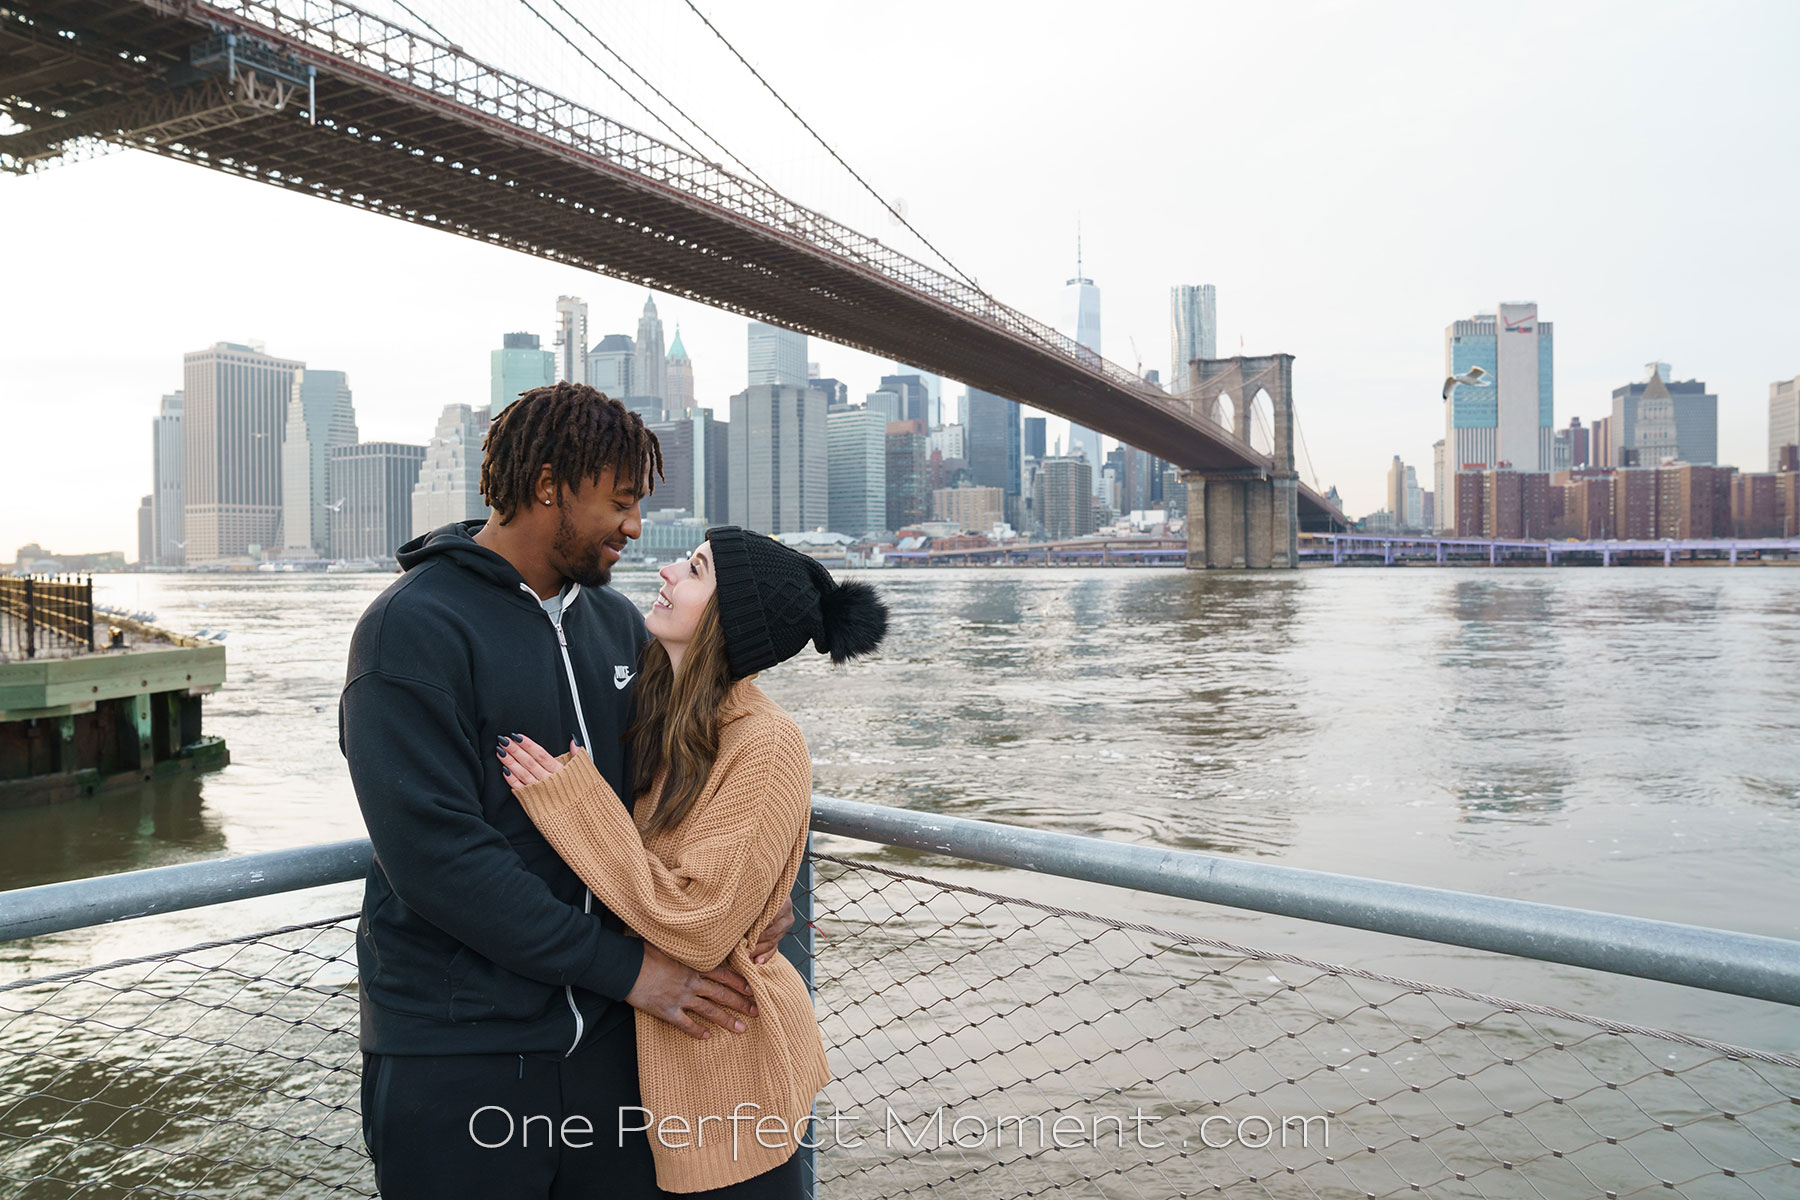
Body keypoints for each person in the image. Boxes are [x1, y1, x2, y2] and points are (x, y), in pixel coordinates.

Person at [341, 384, 794, 1199]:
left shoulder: (620, 625)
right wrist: (630, 972)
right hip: (461, 1052)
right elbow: (437, 858)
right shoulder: (411, 629)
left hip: (617, 1050)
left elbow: (686, 791)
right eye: (620, 502)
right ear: (549, 485)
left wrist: (761, 889)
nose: (635, 526)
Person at [497, 526, 889, 1195]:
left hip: (729, 1071)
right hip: (668, 1067)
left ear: (728, 619)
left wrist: (575, 806)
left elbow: (701, 921)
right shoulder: (672, 717)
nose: (669, 570)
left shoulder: (764, 743)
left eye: (697, 568)